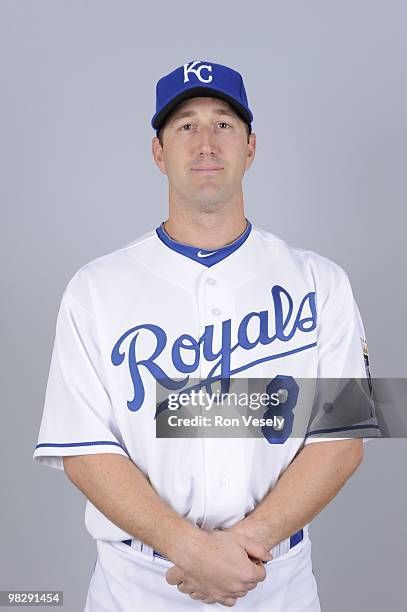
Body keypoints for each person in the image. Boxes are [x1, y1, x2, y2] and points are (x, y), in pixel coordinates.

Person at [33, 60, 380, 611]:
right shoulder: (94, 288)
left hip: (276, 584)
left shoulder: (321, 281)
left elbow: (343, 440)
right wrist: (190, 550)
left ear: (251, 147)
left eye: (223, 124)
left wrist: (243, 547)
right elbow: (86, 451)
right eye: (185, 125)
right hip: (138, 587)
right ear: (158, 152)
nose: (205, 142)